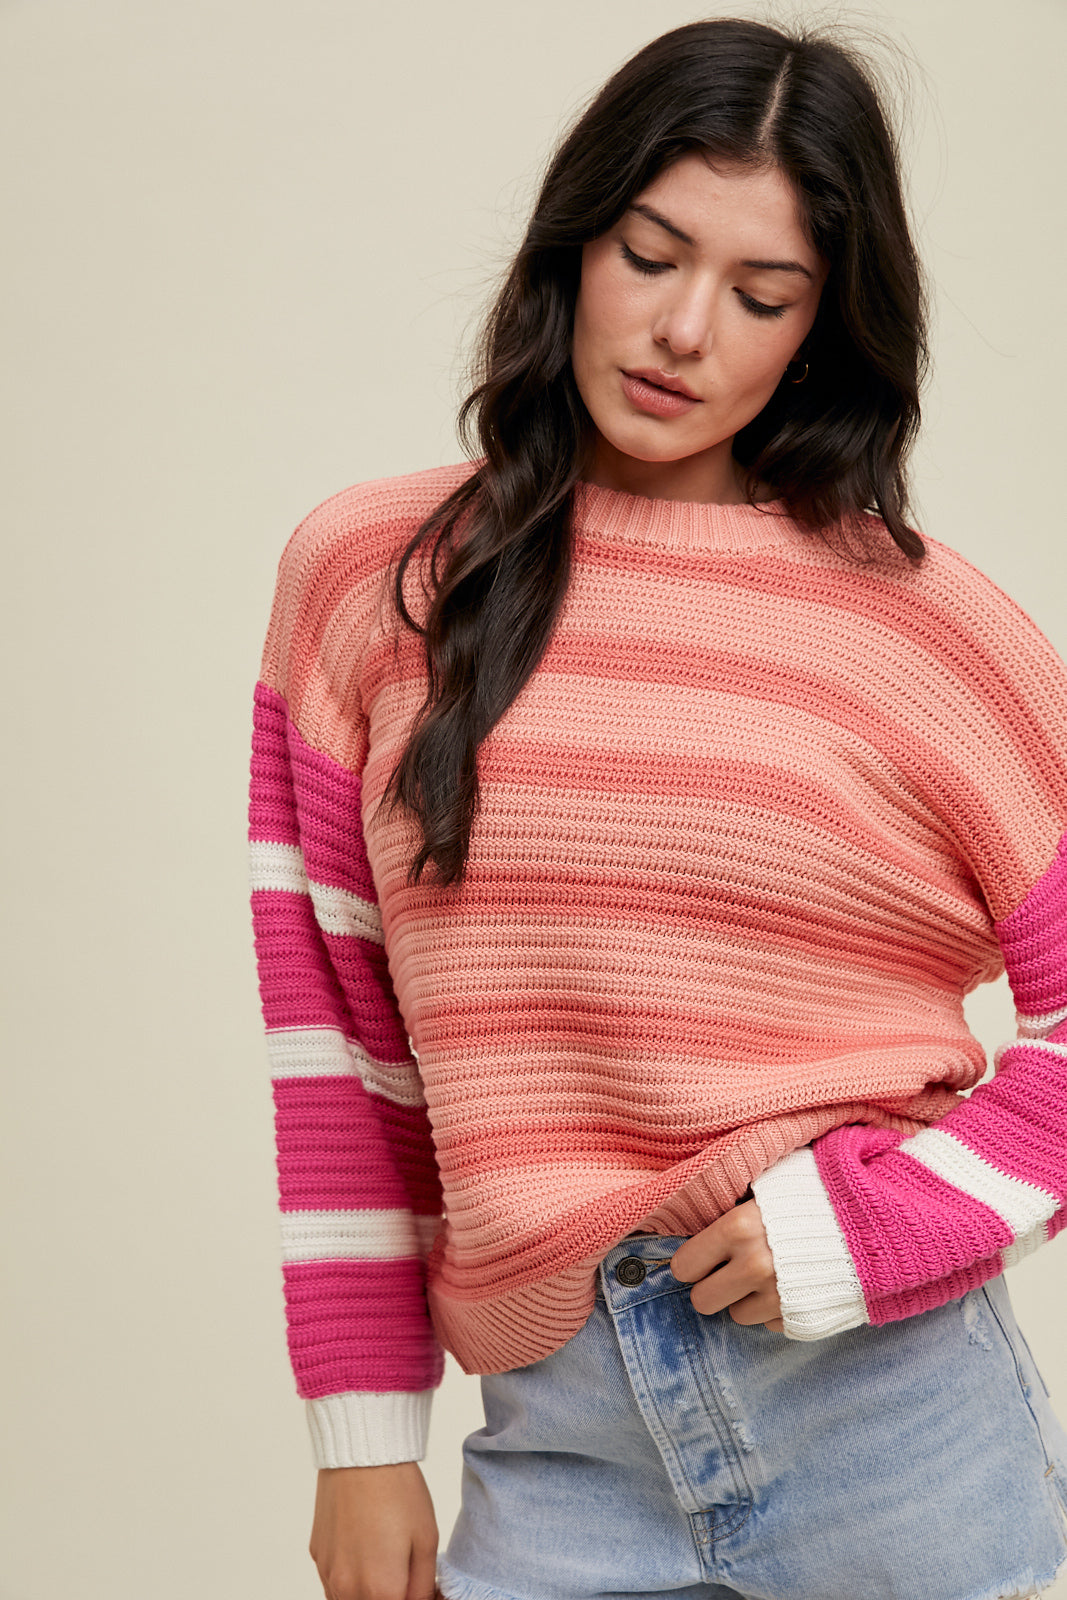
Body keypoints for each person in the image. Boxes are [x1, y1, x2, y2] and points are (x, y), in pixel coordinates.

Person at [248, 18, 1067, 1600]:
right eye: (651, 254)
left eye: (762, 294)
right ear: (576, 239)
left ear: (821, 326)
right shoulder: (375, 585)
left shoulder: (930, 632)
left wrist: (890, 1224)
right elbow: (340, 1046)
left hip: (887, 1424)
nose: (685, 329)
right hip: (560, 1447)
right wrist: (361, 1439)